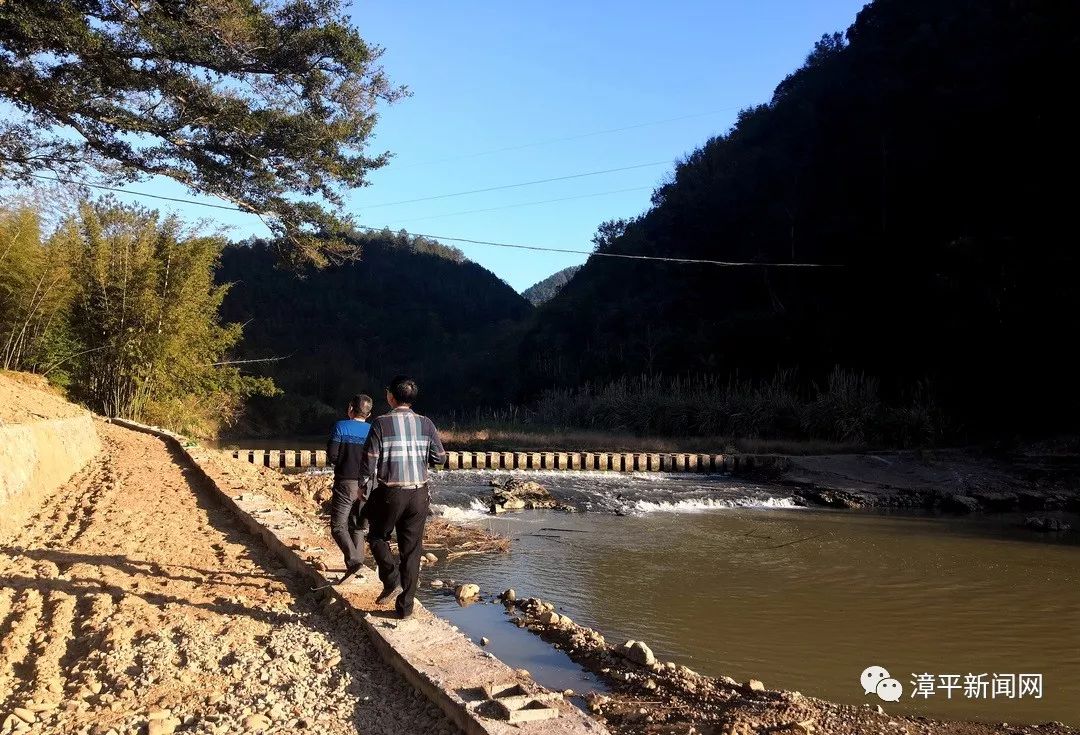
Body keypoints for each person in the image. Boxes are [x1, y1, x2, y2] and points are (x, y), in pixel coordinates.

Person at [359, 376, 446, 618]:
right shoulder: (426, 423)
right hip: (419, 493)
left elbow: (369, 460)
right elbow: (440, 458)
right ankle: (405, 608)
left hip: (391, 492)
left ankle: (391, 579)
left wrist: (362, 487)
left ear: (391, 397)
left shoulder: (380, 423)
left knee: (377, 535)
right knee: (412, 550)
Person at [327, 394, 374, 577]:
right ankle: (357, 565)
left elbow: (332, 455)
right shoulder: (373, 430)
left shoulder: (340, 427)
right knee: (359, 527)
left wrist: (343, 463)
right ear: (369, 414)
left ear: (350, 409)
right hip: (368, 484)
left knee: (338, 526)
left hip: (346, 482)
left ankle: (354, 562)